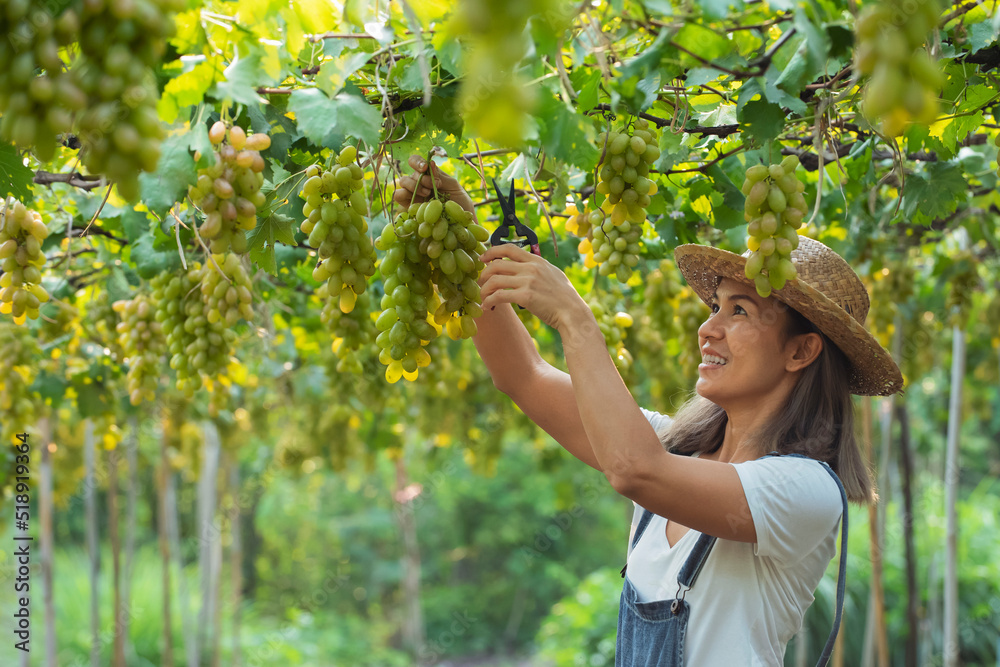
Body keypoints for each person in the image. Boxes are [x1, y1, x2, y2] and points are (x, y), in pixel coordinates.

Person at [392, 155, 904, 666]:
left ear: (800, 352)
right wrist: (462, 248)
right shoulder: (672, 447)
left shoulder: (805, 490)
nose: (708, 329)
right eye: (715, 308)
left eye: (740, 311)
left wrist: (575, 318)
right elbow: (522, 375)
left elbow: (634, 470)